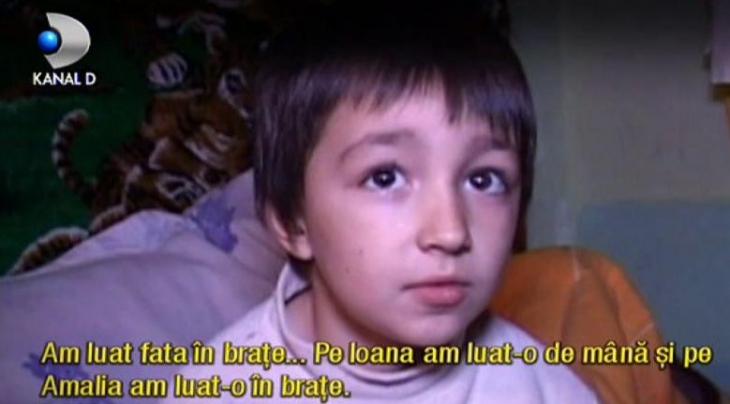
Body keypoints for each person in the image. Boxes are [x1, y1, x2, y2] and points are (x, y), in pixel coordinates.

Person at [160, 2, 599, 403]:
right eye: (385, 177)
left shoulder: (539, 388)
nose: (450, 232)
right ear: (293, 221)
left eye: (483, 180)